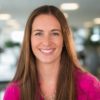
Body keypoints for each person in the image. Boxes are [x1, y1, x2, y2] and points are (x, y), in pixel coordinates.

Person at [3, 5, 100, 100]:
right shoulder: (14, 91)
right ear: (29, 40)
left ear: (64, 40)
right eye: (38, 33)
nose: (46, 42)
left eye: (55, 33)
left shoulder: (90, 86)